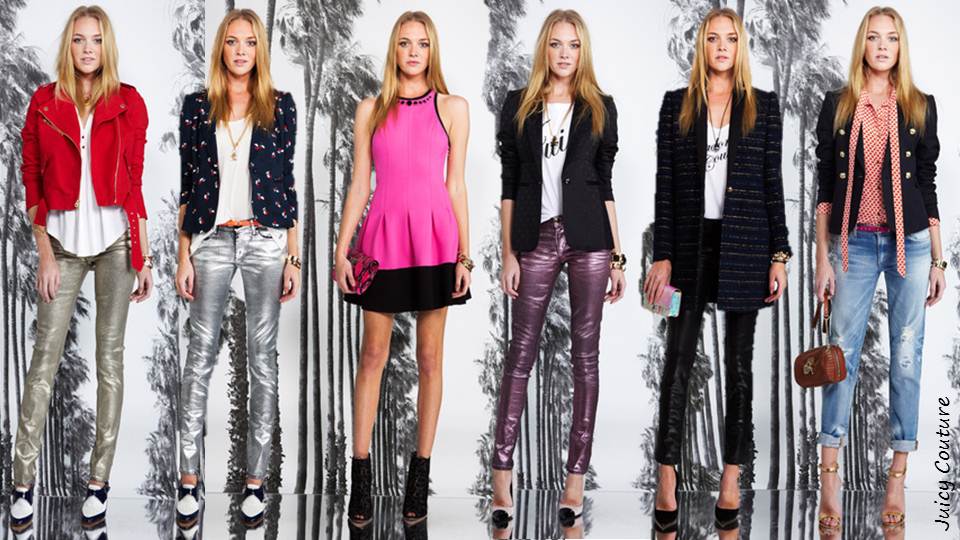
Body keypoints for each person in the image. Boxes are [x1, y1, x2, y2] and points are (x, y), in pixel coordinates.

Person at [643, 7, 790, 533]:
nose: (722, 46)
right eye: (713, 38)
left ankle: (731, 479)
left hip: (745, 247)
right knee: (677, 361)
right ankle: (666, 477)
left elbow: (772, 183)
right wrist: (662, 254)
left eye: (731, 38)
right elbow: (665, 186)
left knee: (739, 368)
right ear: (701, 46)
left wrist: (780, 254)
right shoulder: (676, 105)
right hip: (687, 249)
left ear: (740, 47)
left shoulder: (763, 107)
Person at [10, 5, 152, 531]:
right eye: (78, 40)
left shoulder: (129, 102)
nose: (87, 48)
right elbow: (31, 177)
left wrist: (143, 255)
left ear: (105, 45)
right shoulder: (44, 102)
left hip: (116, 244)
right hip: (62, 246)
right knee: (44, 363)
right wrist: (44, 252)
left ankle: (98, 484)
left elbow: (134, 183)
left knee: (110, 361)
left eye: (95, 40)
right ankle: (21, 484)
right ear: (68, 46)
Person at [333, 11, 471, 526]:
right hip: (382, 242)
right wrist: (341, 250)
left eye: (423, 44)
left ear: (433, 51)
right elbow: (359, 183)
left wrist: (464, 255)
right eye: (406, 43)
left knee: (430, 359)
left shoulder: (452, 107)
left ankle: (419, 479)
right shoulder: (370, 109)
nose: (414, 52)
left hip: (435, 242)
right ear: (394, 50)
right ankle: (361, 478)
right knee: (372, 355)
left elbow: (456, 184)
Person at [490, 8, 626, 532]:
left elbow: (605, 185)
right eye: (556, 44)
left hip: (590, 239)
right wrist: (508, 252)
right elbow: (509, 183)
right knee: (519, 356)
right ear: (544, 49)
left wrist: (617, 255)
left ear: (582, 51)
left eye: (573, 45)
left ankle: (575, 479)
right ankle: (501, 475)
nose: (564, 53)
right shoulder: (519, 106)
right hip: (537, 237)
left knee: (585, 357)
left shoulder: (600, 108)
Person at [813, 6, 944, 533]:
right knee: (841, 353)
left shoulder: (919, 105)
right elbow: (825, 186)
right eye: (874, 37)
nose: (883, 45)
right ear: (862, 45)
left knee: (906, 354)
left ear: (901, 46)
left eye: (892, 38)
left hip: (910, 243)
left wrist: (938, 258)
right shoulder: (838, 104)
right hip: (854, 244)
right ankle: (829, 475)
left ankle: (898, 474)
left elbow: (927, 184)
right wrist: (822, 258)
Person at [174, 8, 300, 529]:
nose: (241, 50)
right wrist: (183, 253)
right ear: (221, 48)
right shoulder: (197, 106)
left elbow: (287, 183)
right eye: (232, 41)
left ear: (259, 50)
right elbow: (187, 184)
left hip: (265, 239)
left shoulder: (280, 105)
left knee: (262, 360)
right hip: (210, 238)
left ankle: (255, 482)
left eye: (249, 42)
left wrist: (292, 255)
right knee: (200, 356)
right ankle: (188, 480)